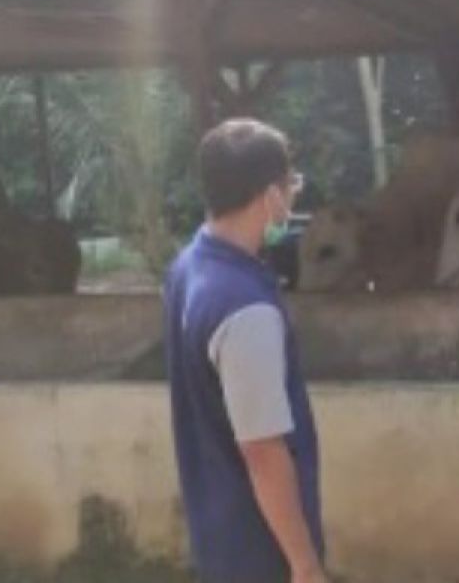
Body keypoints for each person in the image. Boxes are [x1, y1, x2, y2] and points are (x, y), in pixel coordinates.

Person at [164, 118, 327, 583]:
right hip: (259, 549)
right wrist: (304, 563)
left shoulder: (189, 266)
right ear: (270, 195)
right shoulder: (244, 308)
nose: (293, 195)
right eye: (290, 183)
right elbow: (262, 450)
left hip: (217, 531)